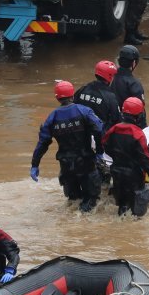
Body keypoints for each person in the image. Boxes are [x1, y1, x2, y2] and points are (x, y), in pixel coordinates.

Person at [30, 80, 106, 212]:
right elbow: (99, 130)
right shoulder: (84, 111)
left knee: (73, 201)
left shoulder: (52, 118)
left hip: (66, 166)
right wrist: (99, 151)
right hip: (86, 163)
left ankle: (71, 229)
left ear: (57, 97)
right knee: (91, 201)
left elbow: (43, 143)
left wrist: (35, 165)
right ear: (72, 95)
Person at [103, 97, 149, 217]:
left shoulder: (113, 129)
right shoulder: (137, 134)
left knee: (122, 205)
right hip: (134, 176)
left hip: (117, 173)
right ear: (139, 116)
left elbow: (106, 146)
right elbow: (146, 158)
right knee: (135, 210)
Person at [77, 60, 121, 131]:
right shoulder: (110, 96)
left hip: (81, 133)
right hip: (100, 135)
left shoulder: (83, 88)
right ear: (110, 77)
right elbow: (116, 119)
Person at [111, 44, 146, 114]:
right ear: (134, 63)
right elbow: (140, 110)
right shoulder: (135, 84)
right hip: (127, 120)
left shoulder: (110, 77)